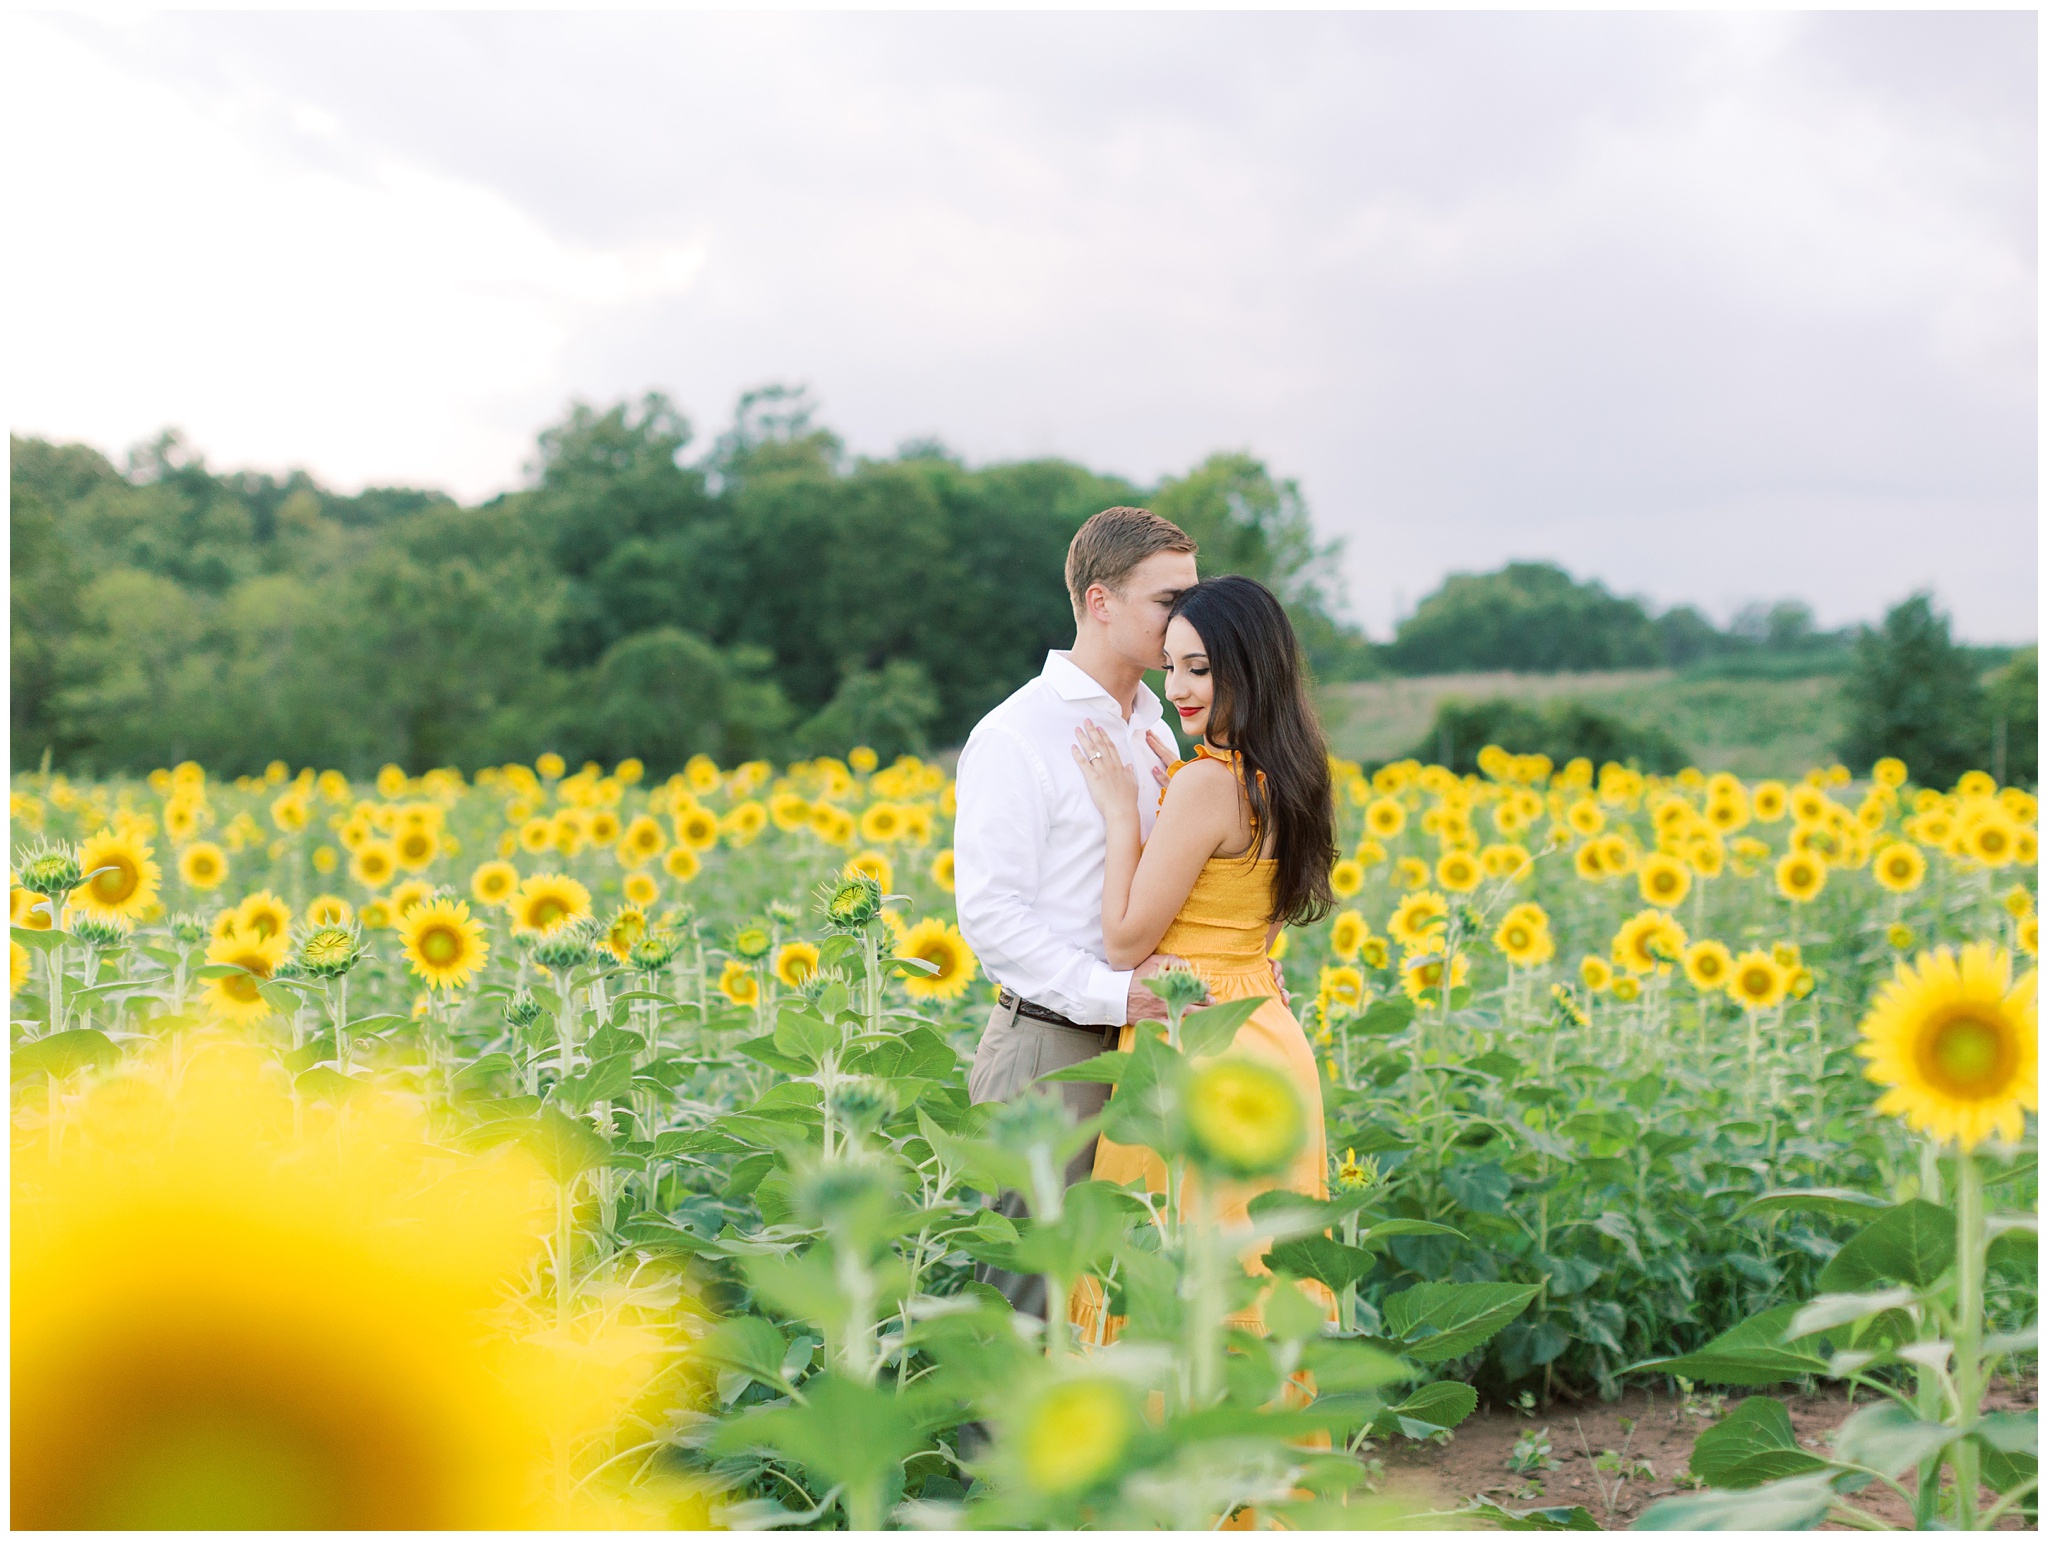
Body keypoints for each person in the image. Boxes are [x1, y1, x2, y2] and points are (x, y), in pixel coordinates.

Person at [1065, 573, 1340, 1346]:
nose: (1178, 687)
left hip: (1194, 1034)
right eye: (1173, 666)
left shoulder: (1206, 785)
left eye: (1200, 668)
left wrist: (1127, 812)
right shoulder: (1289, 776)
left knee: (1163, 1270)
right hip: (1267, 1030)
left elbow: (1125, 940)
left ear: (1249, 671)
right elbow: (1257, 925)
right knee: (1257, 1271)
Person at [953, 505, 1199, 1318]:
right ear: (1101, 602)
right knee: (1028, 1296)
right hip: (1052, 1050)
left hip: (1149, 1040)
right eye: (1167, 600)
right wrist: (1113, 993)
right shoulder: (1019, 733)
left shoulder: (1156, 725)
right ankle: (991, 1454)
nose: (1184, 620)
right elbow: (991, 914)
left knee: (1121, 1290)